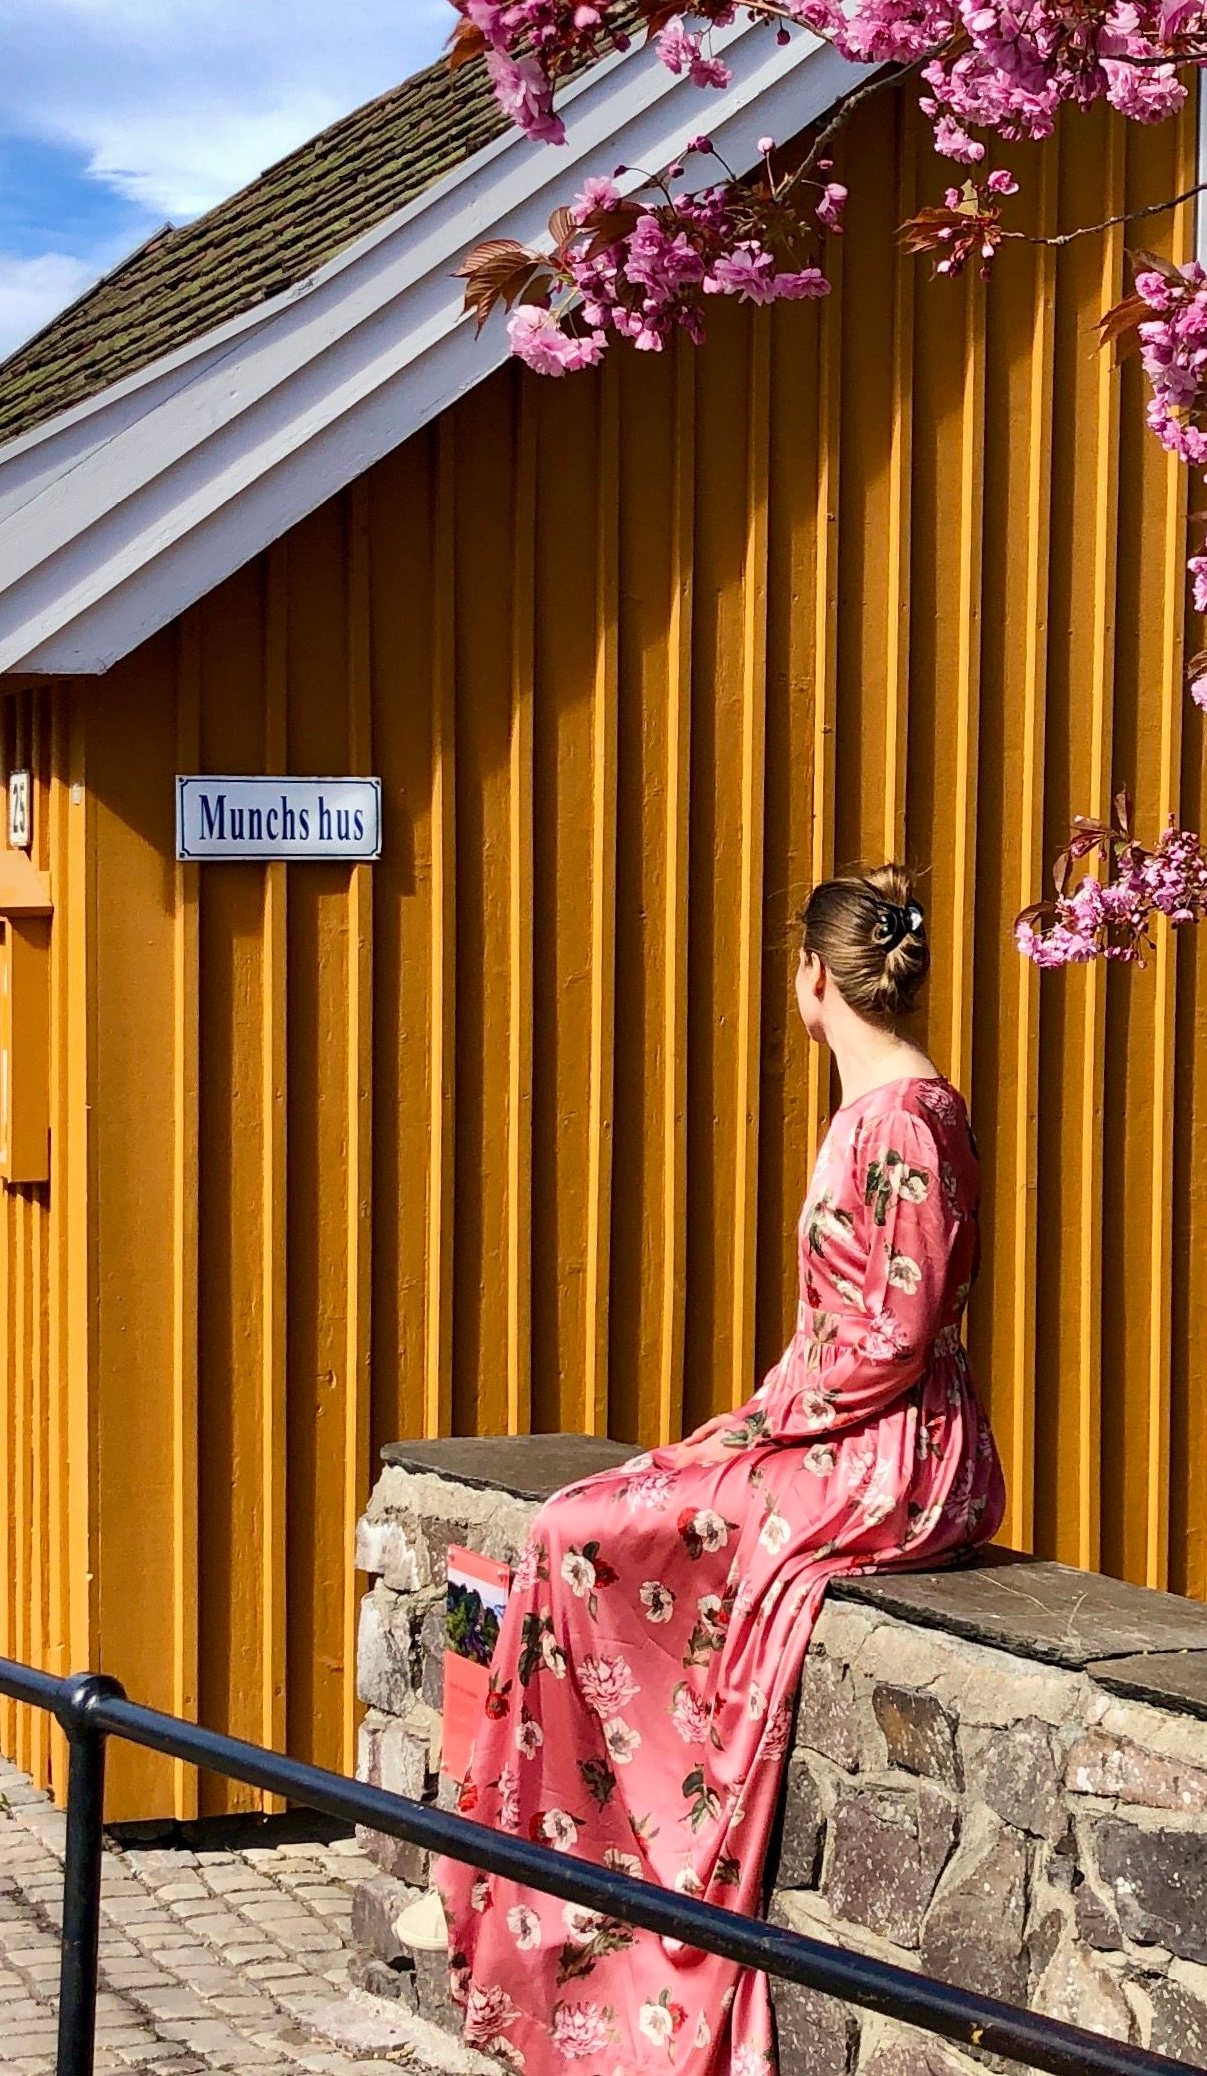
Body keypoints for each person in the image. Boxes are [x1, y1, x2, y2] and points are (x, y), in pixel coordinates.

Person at [440, 864, 1005, 2076]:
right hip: (851, 1426)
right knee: (597, 1512)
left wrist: (758, 1428)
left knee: (583, 1527)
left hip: (881, 1451)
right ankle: (559, 1885)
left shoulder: (901, 1115)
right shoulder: (894, 1108)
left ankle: (591, 1899)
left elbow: (892, 1339)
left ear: (811, 977)